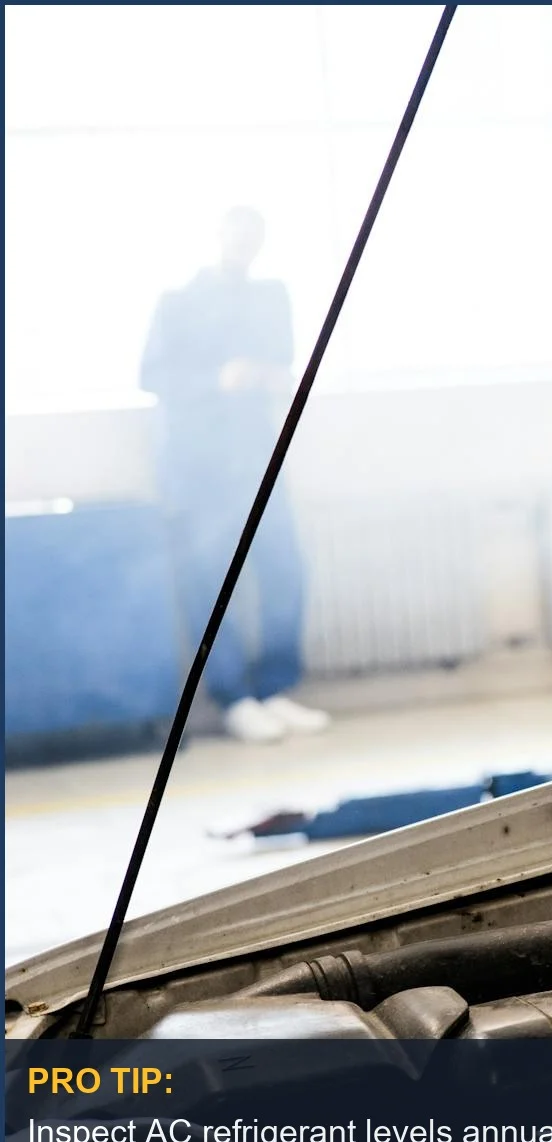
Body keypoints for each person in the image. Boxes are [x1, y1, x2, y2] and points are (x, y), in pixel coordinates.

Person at [139, 207, 329, 744]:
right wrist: (215, 379)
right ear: (217, 235)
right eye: (235, 232)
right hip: (197, 465)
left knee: (285, 569)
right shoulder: (177, 302)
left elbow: (285, 360)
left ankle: (274, 687)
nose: (243, 244)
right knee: (209, 581)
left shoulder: (271, 296)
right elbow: (151, 375)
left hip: (257, 457)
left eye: (254, 236)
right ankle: (235, 698)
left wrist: (271, 378)